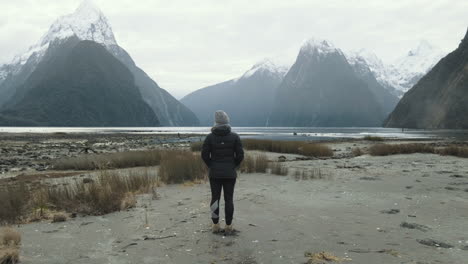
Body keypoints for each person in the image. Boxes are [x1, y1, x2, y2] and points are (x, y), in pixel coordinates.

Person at [201, 110, 244, 235]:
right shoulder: (234, 137)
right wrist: (233, 166)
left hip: (215, 174)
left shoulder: (210, 137)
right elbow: (240, 155)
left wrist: (212, 165)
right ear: (227, 121)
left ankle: (215, 225)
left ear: (216, 122)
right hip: (230, 173)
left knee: (215, 199)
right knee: (229, 199)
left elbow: (204, 155)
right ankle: (229, 226)